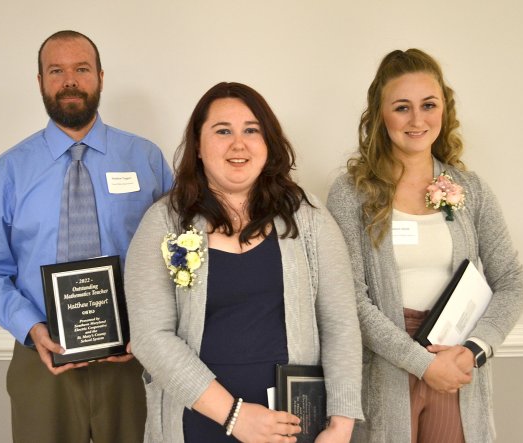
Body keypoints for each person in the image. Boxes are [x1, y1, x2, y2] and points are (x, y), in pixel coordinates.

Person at [125, 82, 363, 443]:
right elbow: (150, 337)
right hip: (197, 424)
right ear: (199, 146)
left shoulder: (310, 217)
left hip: (293, 426)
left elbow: (340, 323)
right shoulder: (163, 222)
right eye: (223, 131)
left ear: (268, 143)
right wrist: (235, 417)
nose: (239, 144)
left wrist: (341, 424)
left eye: (251, 130)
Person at [0, 30, 172, 442]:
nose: (69, 81)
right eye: (56, 70)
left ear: (99, 76)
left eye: (81, 69)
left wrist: (153, 325)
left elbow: (178, 254)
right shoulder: (9, 171)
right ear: (40, 80)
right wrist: (32, 328)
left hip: (133, 357)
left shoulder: (145, 158)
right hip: (41, 360)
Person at [327, 49, 523, 442]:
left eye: (428, 105)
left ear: (444, 110)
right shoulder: (350, 194)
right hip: (385, 365)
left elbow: (512, 281)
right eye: (402, 107)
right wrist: (420, 363)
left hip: (453, 366)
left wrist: (472, 350)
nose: (417, 120)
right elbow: (349, 299)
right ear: (379, 114)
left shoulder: (471, 190)